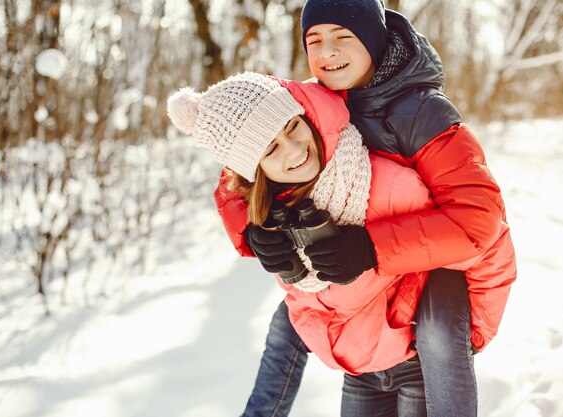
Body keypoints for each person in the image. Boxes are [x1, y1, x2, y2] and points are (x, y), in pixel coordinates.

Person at [212, 1, 517, 417]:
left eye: (344, 37)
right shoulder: (311, 101)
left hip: (440, 281)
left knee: (438, 326)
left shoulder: (424, 114)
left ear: (373, 41)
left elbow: (478, 220)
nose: (328, 53)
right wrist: (253, 230)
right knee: (293, 314)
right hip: (366, 303)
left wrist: (371, 248)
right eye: (315, 41)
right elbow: (241, 163)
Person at [168, 72, 436, 415]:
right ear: (258, 170)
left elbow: (456, 248)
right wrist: (252, 231)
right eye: (271, 148)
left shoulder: (386, 184)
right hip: (359, 369)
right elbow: (310, 302)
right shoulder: (277, 215)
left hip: (417, 365)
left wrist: (374, 251)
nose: (294, 149)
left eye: (292, 126)